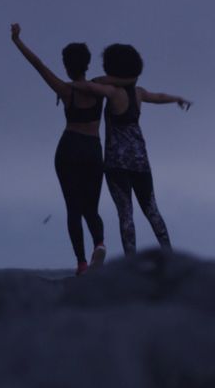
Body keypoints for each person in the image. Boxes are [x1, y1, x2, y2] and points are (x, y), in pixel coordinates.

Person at [70, 44, 191, 255]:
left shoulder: (111, 91)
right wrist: (177, 99)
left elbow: (90, 86)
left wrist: (67, 86)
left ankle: (131, 261)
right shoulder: (138, 93)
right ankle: (169, 255)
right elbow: (159, 96)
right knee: (152, 210)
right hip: (140, 162)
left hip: (117, 165)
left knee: (126, 214)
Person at [10, 23, 107, 275]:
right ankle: (100, 243)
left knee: (73, 208)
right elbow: (124, 79)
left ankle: (82, 263)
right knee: (91, 208)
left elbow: (38, 65)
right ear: (86, 64)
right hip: (93, 150)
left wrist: (17, 41)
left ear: (66, 65)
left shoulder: (64, 89)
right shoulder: (101, 88)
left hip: (69, 148)